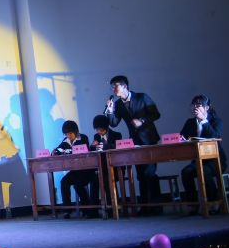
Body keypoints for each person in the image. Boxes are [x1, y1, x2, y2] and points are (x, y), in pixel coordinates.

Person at [105, 75, 162, 215]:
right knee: (140, 175)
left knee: (149, 173)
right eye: (112, 86)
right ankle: (145, 206)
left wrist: (142, 121)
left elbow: (156, 114)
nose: (113, 89)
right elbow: (113, 123)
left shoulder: (142, 97)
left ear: (125, 86)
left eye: (115, 86)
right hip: (135, 142)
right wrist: (110, 111)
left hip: (149, 139)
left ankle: (157, 205)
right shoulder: (118, 104)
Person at [179, 95, 228, 213]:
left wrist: (204, 121)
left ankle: (213, 202)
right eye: (193, 105)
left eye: (199, 105)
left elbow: (215, 137)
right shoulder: (190, 122)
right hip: (198, 160)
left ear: (207, 108)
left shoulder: (216, 121)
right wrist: (181, 139)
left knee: (204, 170)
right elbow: (181, 137)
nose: (195, 107)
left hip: (215, 160)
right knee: (186, 172)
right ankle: (193, 205)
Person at [52, 120, 95, 218]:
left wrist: (67, 151)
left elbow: (82, 150)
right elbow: (59, 150)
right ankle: (67, 210)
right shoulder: (65, 141)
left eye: (70, 133)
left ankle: (86, 209)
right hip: (75, 170)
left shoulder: (83, 138)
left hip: (86, 170)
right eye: (66, 134)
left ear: (75, 131)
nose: (68, 136)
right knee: (64, 182)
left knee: (78, 184)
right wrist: (55, 152)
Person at [89, 114, 123, 207]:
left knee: (107, 179)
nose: (98, 132)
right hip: (101, 167)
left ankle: (113, 206)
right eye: (97, 129)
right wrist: (93, 146)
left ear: (106, 127)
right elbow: (91, 150)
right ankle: (93, 210)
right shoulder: (96, 136)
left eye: (100, 129)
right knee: (94, 180)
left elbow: (118, 148)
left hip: (114, 167)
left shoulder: (117, 135)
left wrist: (105, 146)